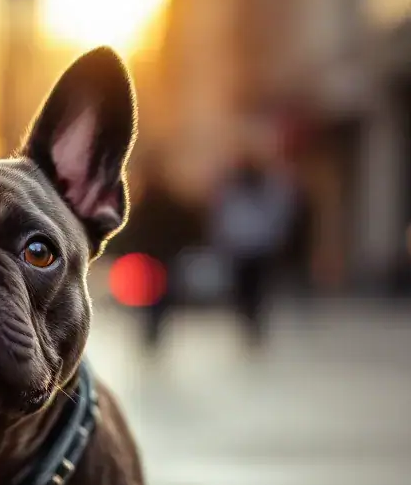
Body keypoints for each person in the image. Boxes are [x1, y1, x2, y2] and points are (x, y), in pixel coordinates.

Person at [210, 140, 298, 347]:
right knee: (243, 289)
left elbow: (279, 213)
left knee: (258, 289)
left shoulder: (267, 188)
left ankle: (255, 321)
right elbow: (221, 216)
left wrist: (276, 236)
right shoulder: (231, 189)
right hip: (239, 247)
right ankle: (247, 320)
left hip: (260, 246)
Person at [118, 154, 201, 350]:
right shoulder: (159, 200)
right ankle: (152, 331)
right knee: (157, 298)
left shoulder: (145, 201)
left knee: (152, 298)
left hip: (155, 256)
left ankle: (151, 332)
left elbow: (134, 229)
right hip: (160, 256)